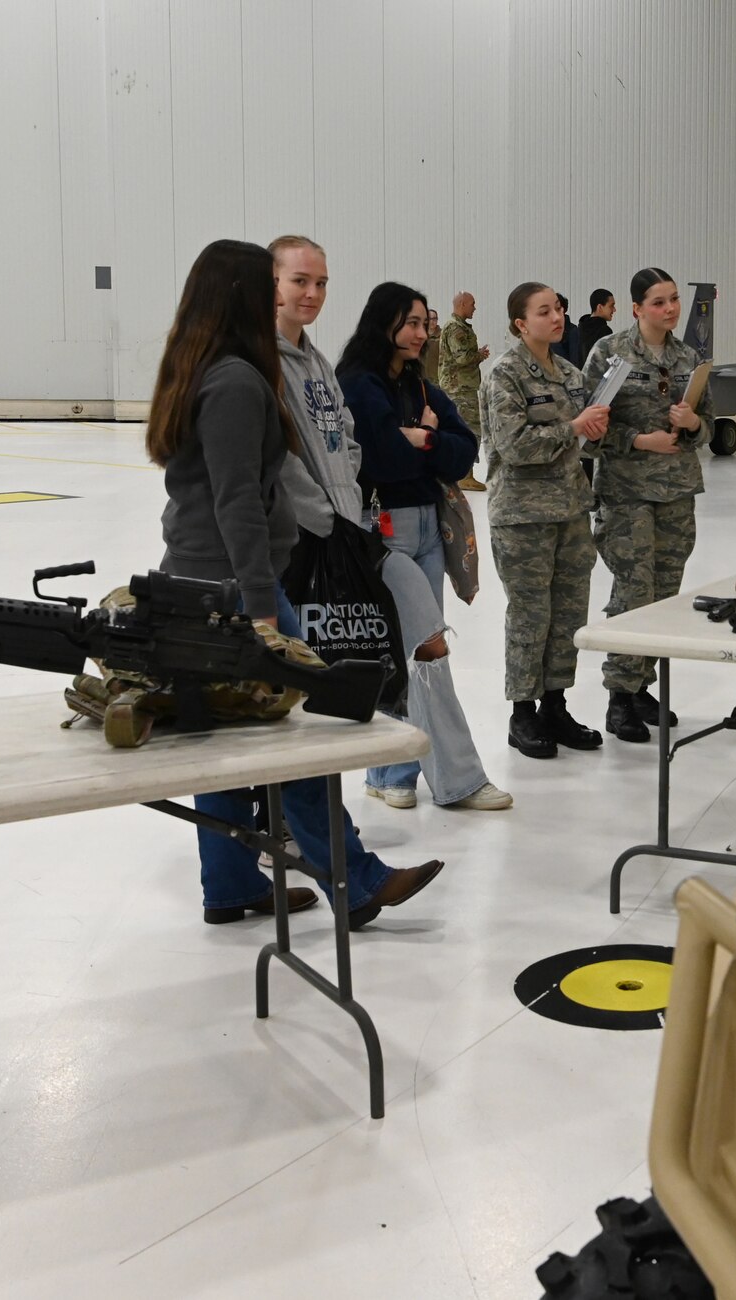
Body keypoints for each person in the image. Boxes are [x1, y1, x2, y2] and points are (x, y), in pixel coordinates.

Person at [148, 238, 443, 928]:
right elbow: (237, 504)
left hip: (205, 581)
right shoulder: (236, 382)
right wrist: (261, 608)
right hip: (232, 587)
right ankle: (358, 881)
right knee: (304, 737)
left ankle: (229, 888)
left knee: (220, 743)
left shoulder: (213, 370)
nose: (291, 298)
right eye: (276, 286)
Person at [336, 282, 512, 812]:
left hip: (428, 530)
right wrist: (412, 442)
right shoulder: (358, 384)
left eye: (423, 323)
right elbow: (382, 461)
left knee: (406, 650)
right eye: (411, 322)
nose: (421, 332)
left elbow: (464, 455)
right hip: (379, 533)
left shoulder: (420, 387)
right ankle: (457, 779)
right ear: (382, 324)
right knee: (425, 650)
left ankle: (390, 770)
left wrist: (426, 439)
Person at [582, 267, 714, 743]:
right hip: (626, 493)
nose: (671, 309)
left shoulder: (688, 357)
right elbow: (590, 426)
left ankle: (642, 686)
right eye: (659, 302)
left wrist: (694, 422)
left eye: (674, 299)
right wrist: (639, 440)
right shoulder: (609, 354)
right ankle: (619, 696)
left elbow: (710, 428)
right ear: (637, 308)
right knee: (634, 592)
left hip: (676, 492)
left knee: (664, 594)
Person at [484, 281, 610, 759]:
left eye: (558, 308)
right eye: (544, 311)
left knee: (567, 614)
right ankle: (522, 712)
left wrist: (594, 428)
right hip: (522, 515)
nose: (556, 317)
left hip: (571, 510)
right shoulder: (505, 373)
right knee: (530, 615)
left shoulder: (571, 374)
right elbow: (515, 446)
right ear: (521, 323)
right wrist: (573, 428)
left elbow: (584, 444)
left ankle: (556, 705)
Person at [441, 292, 490, 491]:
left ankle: (463, 473)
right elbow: (461, 358)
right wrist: (479, 355)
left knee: (469, 429)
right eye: (472, 304)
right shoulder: (455, 329)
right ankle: (463, 475)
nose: (474, 308)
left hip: (463, 387)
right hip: (459, 388)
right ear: (462, 304)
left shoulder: (459, 327)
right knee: (470, 430)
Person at [579, 288, 617, 357]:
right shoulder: (604, 331)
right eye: (611, 306)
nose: (614, 310)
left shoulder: (579, 329)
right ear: (600, 307)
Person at [421, 307, 443, 386]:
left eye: (434, 319)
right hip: (422, 378)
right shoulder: (420, 336)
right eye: (430, 319)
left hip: (437, 379)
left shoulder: (443, 336)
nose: (432, 321)